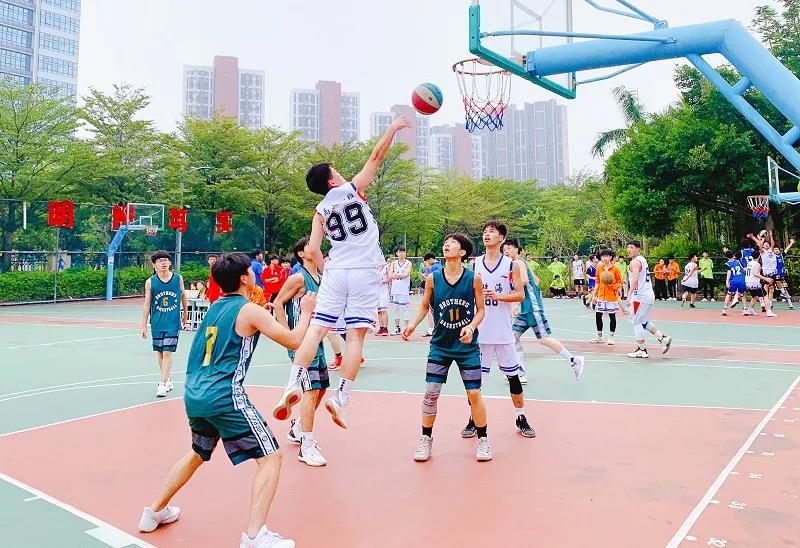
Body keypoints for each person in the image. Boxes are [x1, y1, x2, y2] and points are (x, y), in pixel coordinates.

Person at [138, 252, 315, 548]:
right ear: (245, 278)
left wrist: (261, 314)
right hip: (225, 396)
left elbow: (240, 327)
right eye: (251, 271)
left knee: (197, 453)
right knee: (271, 457)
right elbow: (295, 340)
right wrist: (307, 312)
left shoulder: (215, 307)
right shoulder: (249, 310)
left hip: (195, 394)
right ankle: (256, 536)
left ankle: (154, 511)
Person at [272, 114, 412, 430]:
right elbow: (376, 157)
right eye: (336, 171)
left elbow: (312, 250)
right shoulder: (352, 189)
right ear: (332, 181)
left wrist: (326, 274)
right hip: (365, 270)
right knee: (355, 336)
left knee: (317, 330)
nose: (341, 173)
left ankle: (292, 384)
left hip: (336, 271)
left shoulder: (320, 211)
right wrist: (392, 128)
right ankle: (341, 398)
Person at [403, 233, 492, 462]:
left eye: (452, 243)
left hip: (467, 347)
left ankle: (483, 439)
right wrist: (412, 325)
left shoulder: (473, 279)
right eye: (445, 243)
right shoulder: (433, 279)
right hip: (440, 346)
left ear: (462, 252)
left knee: (474, 394)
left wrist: (471, 327)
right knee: (431, 393)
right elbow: (425, 306)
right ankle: (426, 439)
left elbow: (481, 310)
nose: (447, 245)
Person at [464, 220, 535, 438]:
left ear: (501, 238)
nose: (487, 235)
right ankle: (473, 419)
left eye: (492, 232)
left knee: (513, 376)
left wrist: (498, 296)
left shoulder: (511, 265)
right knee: (476, 382)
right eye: (485, 231)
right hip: (481, 332)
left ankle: (521, 417)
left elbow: (520, 295)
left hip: (503, 332)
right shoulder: (475, 264)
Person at [273, 237, 330, 467]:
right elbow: (278, 303)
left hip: (317, 339)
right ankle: (307, 445)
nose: (315, 248)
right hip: (302, 343)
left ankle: (298, 427)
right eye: (310, 246)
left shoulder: (321, 278)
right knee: (311, 390)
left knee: (321, 388)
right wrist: (287, 335)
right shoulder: (298, 278)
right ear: (301, 254)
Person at [503, 239, 584, 382]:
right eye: (504, 250)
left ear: (517, 250)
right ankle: (520, 372)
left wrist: (515, 300)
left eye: (509, 248)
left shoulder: (518, 263)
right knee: (513, 337)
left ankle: (574, 360)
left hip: (532, 308)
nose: (506, 251)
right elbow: (536, 280)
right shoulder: (519, 264)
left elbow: (524, 281)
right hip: (525, 310)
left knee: (543, 339)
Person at [142, 250, 188, 398]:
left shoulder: (178, 278)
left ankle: (162, 384)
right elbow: (147, 304)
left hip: (172, 323)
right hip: (157, 322)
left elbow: (183, 296)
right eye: (160, 261)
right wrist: (144, 325)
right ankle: (167, 379)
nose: (163, 263)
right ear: (154, 265)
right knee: (160, 352)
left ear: (169, 262)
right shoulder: (150, 282)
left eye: (166, 260)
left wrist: (185, 316)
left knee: (167, 352)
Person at [626, 241, 673, 358]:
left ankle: (642, 350)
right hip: (647, 295)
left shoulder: (635, 262)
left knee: (636, 322)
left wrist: (629, 294)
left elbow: (635, 278)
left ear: (638, 249)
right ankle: (662, 338)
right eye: (628, 248)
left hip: (640, 296)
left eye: (631, 247)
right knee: (643, 322)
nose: (629, 250)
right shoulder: (642, 259)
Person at [590, 249, 623, 345]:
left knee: (612, 316)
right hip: (601, 296)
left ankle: (611, 337)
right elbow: (597, 282)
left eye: (607, 256)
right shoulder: (599, 268)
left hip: (611, 297)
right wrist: (594, 295)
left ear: (610, 257)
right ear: (601, 258)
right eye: (603, 256)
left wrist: (613, 286)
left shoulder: (615, 269)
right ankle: (599, 336)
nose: (605, 258)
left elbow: (620, 281)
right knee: (598, 315)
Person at [389, 246, 412, 335]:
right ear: (396, 253)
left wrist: (396, 274)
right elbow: (390, 275)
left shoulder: (408, 263)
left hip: (404, 290)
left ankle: (406, 328)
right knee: (396, 309)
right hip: (395, 290)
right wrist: (399, 275)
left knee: (405, 309)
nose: (402, 253)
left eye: (403, 251)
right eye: (400, 251)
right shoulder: (393, 263)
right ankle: (397, 328)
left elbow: (406, 274)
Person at [744, 249, 774, 316]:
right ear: (759, 256)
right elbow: (756, 274)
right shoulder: (757, 264)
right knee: (765, 296)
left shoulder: (749, 263)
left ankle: (750, 310)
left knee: (755, 297)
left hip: (748, 282)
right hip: (754, 283)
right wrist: (766, 278)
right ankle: (769, 311)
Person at [421, 252, 442, 336]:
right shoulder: (440, 265)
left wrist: (424, 276)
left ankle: (431, 329)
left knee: (430, 310)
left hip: (434, 291)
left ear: (430, 259)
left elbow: (430, 280)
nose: (426, 263)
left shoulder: (433, 267)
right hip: (440, 291)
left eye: (427, 261)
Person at [722, 250, 746, 316]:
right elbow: (744, 269)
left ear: (727, 257)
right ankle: (745, 309)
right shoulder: (738, 261)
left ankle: (724, 309)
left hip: (733, 281)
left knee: (729, 294)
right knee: (742, 294)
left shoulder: (727, 264)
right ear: (733, 255)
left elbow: (729, 273)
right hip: (741, 280)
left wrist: (727, 281)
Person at [774, 238, 795, 308]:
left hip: (781, 274)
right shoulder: (772, 257)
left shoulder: (781, 255)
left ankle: (789, 303)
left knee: (784, 288)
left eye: (777, 249)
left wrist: (791, 243)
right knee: (770, 288)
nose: (776, 250)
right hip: (773, 273)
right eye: (775, 249)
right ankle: (768, 304)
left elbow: (786, 249)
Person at [376, 257, 391, 336]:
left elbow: (390, 278)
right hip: (376, 291)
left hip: (384, 291)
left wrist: (383, 281)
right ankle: (381, 328)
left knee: (383, 310)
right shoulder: (375, 268)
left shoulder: (386, 267)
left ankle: (385, 328)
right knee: (379, 311)